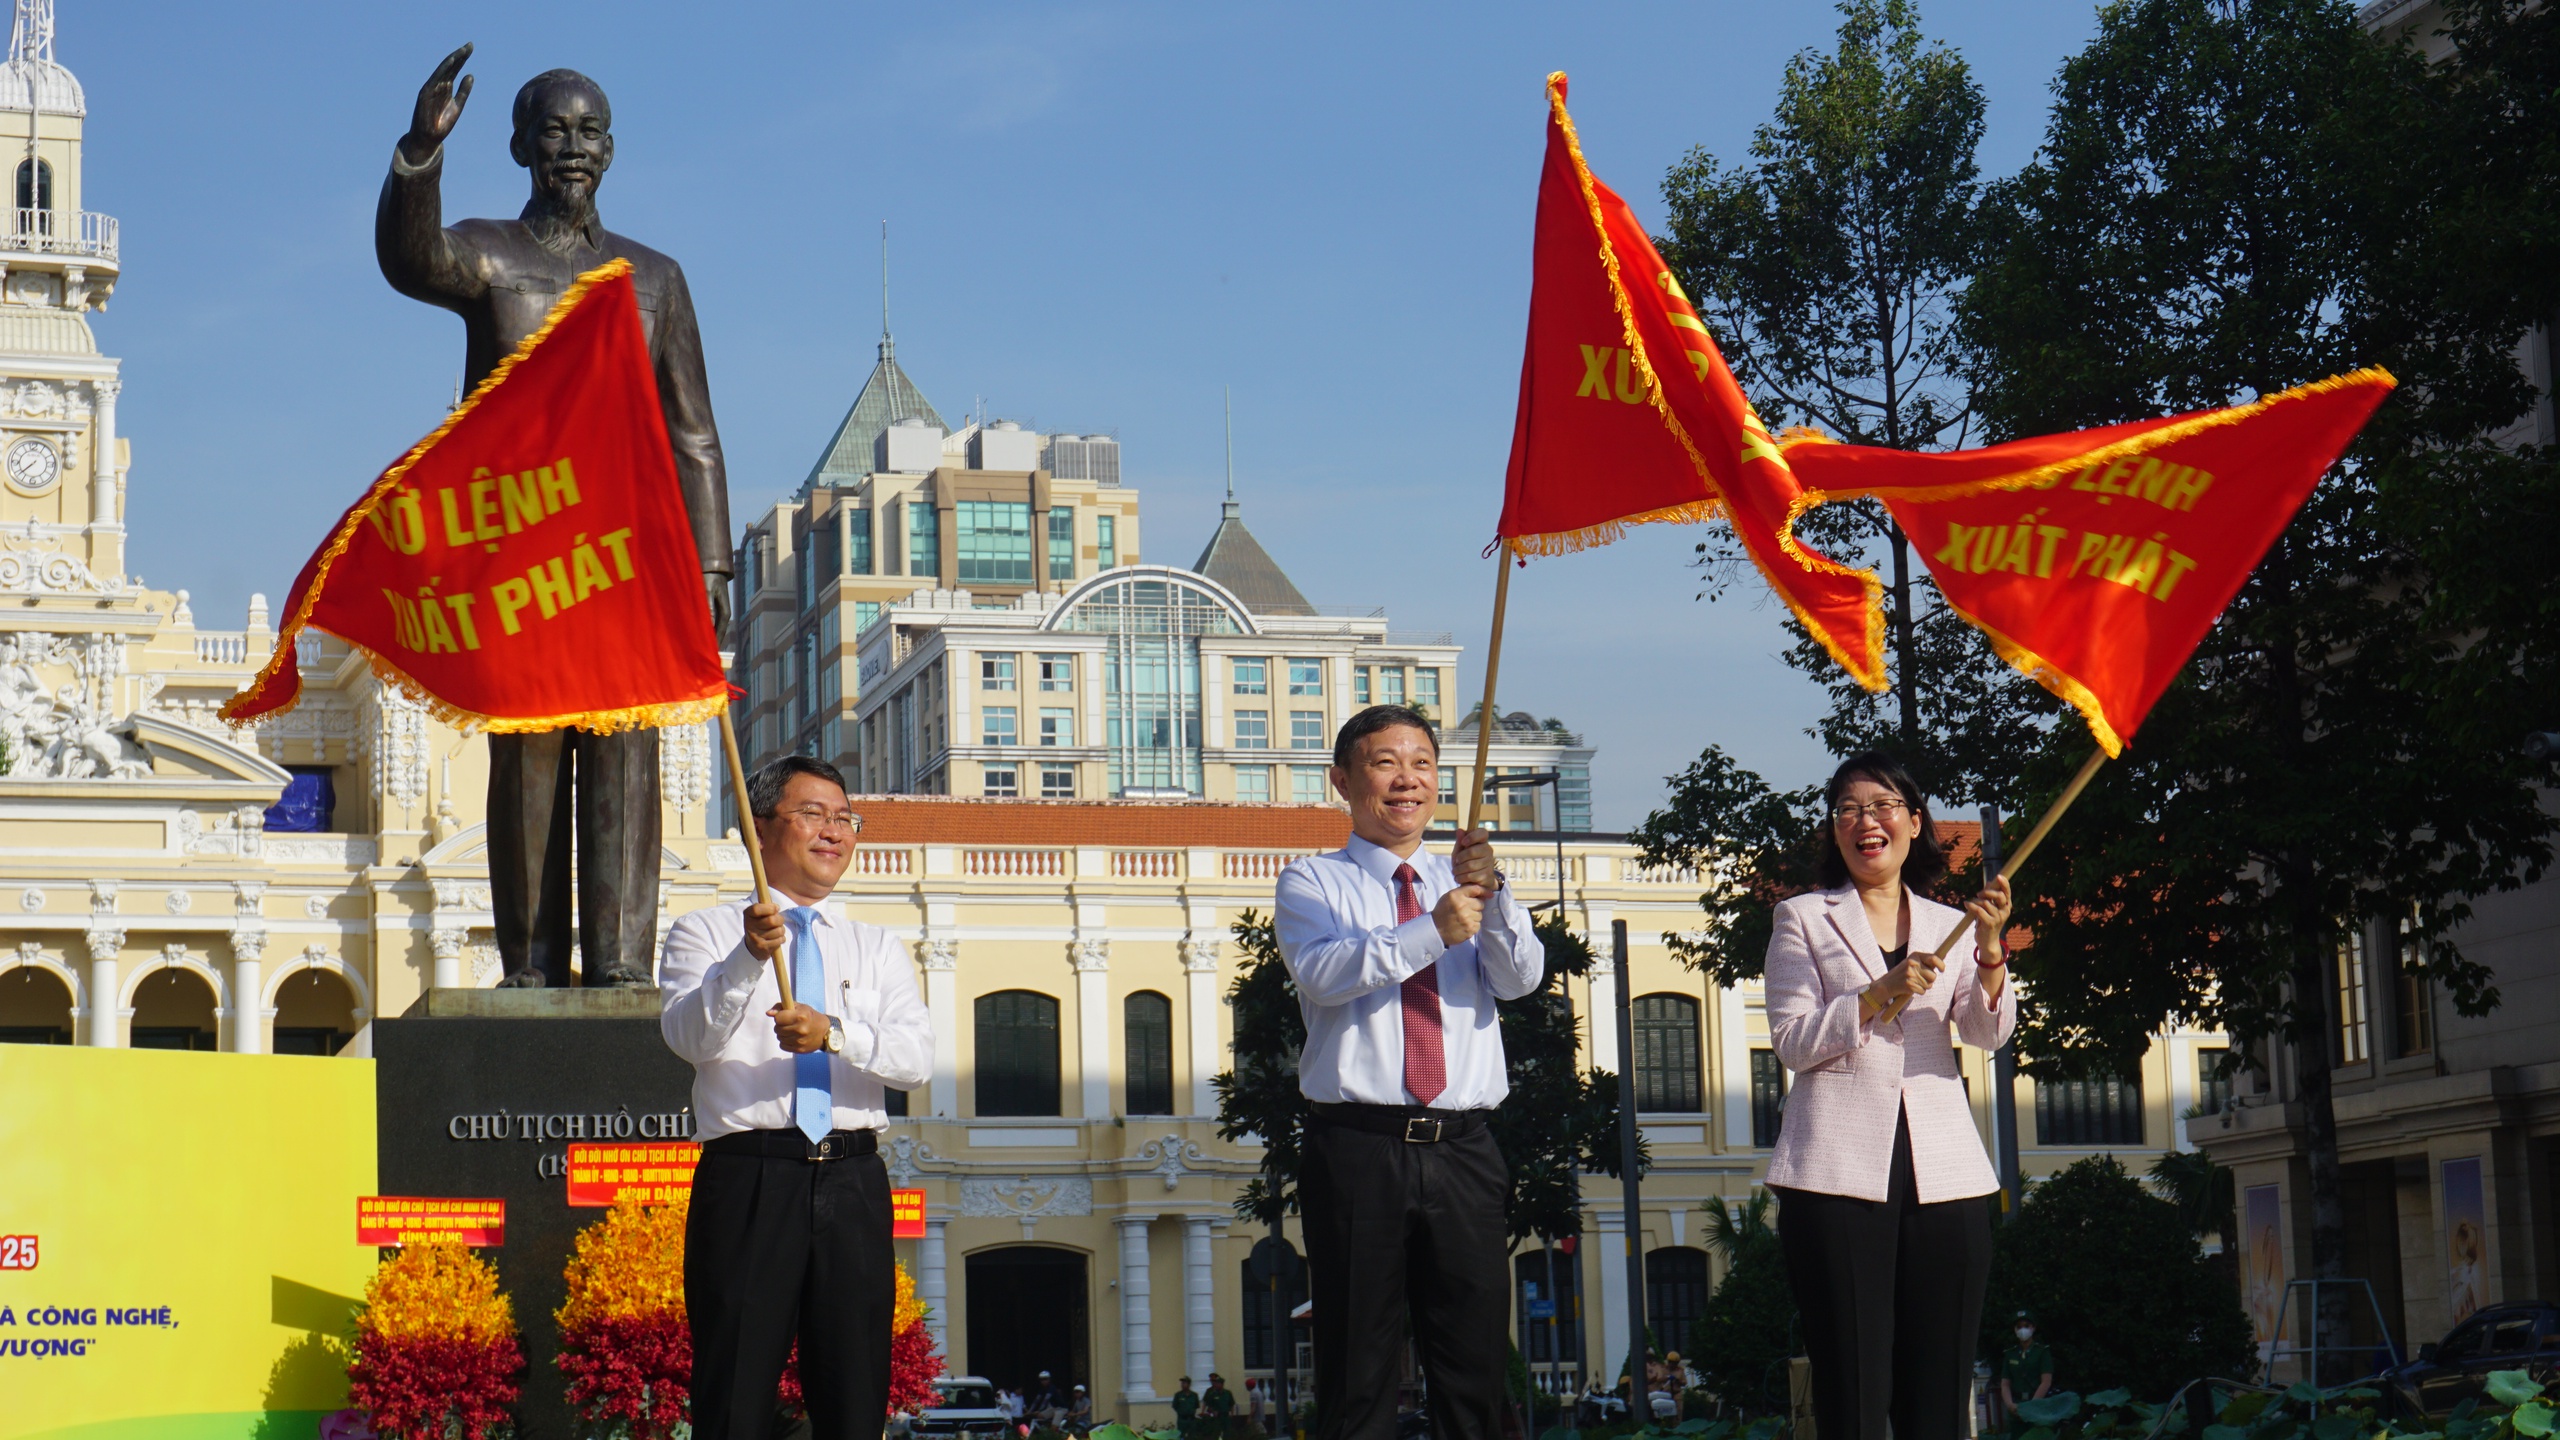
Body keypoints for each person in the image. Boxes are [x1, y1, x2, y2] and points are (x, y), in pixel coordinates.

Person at [379, 47, 734, 986]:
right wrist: (419, 152)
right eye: (554, 131)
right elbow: (411, 261)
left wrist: (711, 571)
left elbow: (693, 433)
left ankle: (622, 969)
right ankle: (530, 971)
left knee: (626, 767)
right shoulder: (490, 253)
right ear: (520, 145)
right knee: (527, 768)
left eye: (589, 133)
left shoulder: (653, 276)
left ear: (610, 152)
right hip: (524, 564)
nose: (572, 150)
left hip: (627, 567)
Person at [1275, 705, 1545, 1440]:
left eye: (1421, 763)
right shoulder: (1313, 882)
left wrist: (1495, 902)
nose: (1407, 780)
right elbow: (1326, 973)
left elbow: (1519, 980)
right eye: (1385, 762)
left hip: (1464, 1148)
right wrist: (1433, 929)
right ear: (1343, 780)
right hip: (1359, 1146)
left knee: (1477, 1367)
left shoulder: (1463, 877)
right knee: (1359, 1368)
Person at [660, 756, 935, 1440]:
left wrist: (835, 1034)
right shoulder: (706, 933)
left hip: (855, 1178)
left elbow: (915, 1060)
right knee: (736, 1389)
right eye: (812, 813)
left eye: (845, 818)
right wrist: (749, 958)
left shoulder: (877, 947)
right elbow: (689, 1037)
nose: (833, 831)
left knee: (855, 1388)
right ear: (758, 831)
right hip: (751, 1175)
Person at [1763, 752, 2014, 1440]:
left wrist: (1990, 948)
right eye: (1848, 809)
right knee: (1854, 1396)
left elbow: (1985, 1032)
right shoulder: (1802, 918)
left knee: (1939, 1400)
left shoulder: (1949, 926)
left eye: (1881, 806)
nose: (1865, 821)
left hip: (1947, 1174)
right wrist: (1875, 995)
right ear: (1834, 830)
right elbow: (1792, 1040)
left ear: (1912, 821)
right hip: (1836, 1175)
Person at [1998, 1315, 2053, 1433]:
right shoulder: (2010, 1353)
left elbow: (2046, 1381)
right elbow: (2005, 1383)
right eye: (2019, 1327)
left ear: (2033, 1328)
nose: (2023, 1329)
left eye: (2026, 1326)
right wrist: (2010, 1405)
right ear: (2015, 1330)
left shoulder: (2042, 1351)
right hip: (2016, 1406)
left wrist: (2032, 1405)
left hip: (2037, 1405)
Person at [1202, 1373, 1236, 1438]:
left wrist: (1232, 1414)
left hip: (1226, 1416)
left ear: (1222, 1384)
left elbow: (1231, 1404)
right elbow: (1208, 1405)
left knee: (1227, 1434)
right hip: (1217, 1418)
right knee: (1216, 1434)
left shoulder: (1227, 1393)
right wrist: (1213, 1411)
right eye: (1216, 1383)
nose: (1216, 1384)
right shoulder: (1212, 1394)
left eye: (1218, 1383)